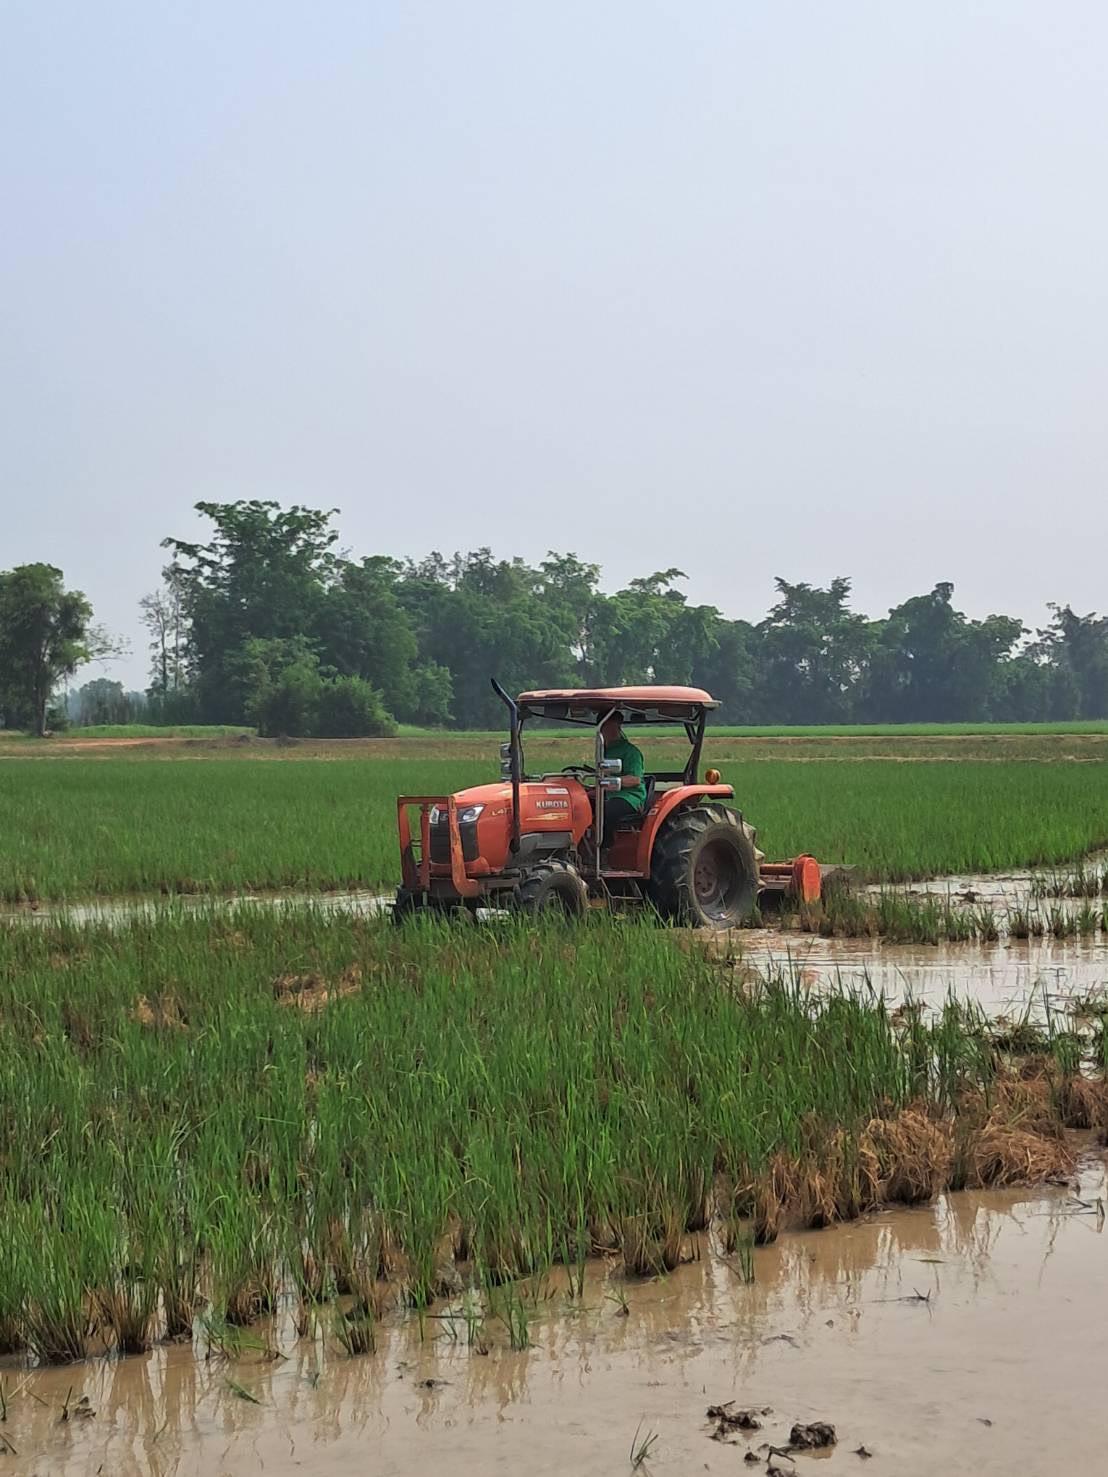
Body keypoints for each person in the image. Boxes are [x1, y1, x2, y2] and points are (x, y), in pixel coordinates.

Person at [596, 712, 647, 834]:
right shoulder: (603, 751)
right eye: (605, 727)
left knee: (605, 811)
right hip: (605, 795)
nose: (609, 731)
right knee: (579, 807)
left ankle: (605, 847)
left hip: (628, 796)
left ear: (618, 728)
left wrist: (609, 782)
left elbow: (635, 779)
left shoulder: (630, 752)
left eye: (612, 727)